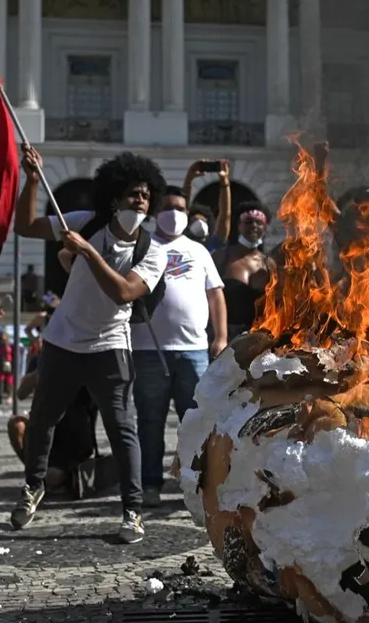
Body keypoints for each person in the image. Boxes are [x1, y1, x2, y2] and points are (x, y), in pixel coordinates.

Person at [11, 146, 167, 542]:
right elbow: (26, 226)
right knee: (43, 418)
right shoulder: (85, 221)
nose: (140, 200)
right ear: (114, 198)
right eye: (133, 193)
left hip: (110, 345)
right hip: (63, 341)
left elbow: (124, 293)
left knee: (121, 427)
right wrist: (32, 181)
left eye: (146, 195)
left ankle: (132, 510)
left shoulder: (153, 251)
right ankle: (33, 486)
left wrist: (86, 251)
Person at [132, 185, 227, 507]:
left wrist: (221, 336)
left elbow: (215, 294)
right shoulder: (141, 246)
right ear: (155, 212)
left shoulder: (199, 251)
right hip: (148, 350)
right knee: (150, 421)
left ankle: (198, 484)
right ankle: (149, 484)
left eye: (181, 208)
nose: (175, 213)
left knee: (198, 422)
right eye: (168, 206)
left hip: (193, 350)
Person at [7, 346, 101, 494]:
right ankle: (38, 473)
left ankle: (64, 476)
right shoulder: (41, 360)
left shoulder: (83, 360)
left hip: (73, 436)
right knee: (16, 424)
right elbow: (21, 393)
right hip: (44, 433)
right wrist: (42, 373)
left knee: (54, 478)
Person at [212, 201, 274, 340]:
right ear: (239, 225)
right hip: (224, 336)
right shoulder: (221, 257)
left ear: (265, 228)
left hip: (257, 337)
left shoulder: (269, 264)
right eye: (248, 221)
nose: (254, 226)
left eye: (259, 223)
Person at [182, 159, 232, 252]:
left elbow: (225, 215)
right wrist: (189, 178)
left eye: (203, 220)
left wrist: (224, 181)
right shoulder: (181, 244)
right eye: (195, 220)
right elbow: (182, 208)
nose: (199, 222)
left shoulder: (213, 246)